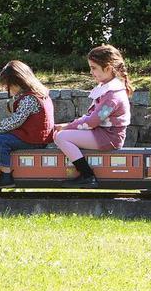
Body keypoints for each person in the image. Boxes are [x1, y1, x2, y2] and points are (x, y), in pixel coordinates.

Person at [53, 44, 132, 188]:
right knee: (61, 135)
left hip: (109, 137)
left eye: (94, 68)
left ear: (108, 68)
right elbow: (92, 118)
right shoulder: (108, 89)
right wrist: (69, 126)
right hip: (103, 134)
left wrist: (67, 126)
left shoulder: (112, 95)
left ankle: (87, 176)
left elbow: (92, 122)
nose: (91, 72)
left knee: (61, 137)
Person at [0, 61, 55, 189]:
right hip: (40, 137)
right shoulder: (40, 94)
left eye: (8, 86)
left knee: (1, 141)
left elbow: (17, 120)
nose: (7, 90)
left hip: (34, 139)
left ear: (18, 82)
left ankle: (5, 176)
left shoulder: (29, 99)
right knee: (6, 138)